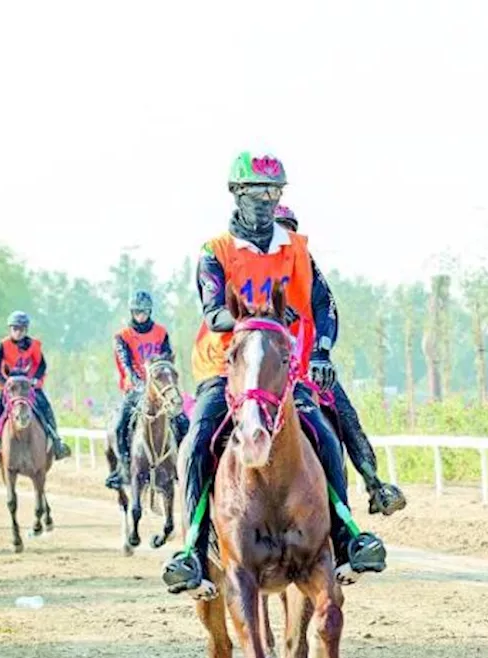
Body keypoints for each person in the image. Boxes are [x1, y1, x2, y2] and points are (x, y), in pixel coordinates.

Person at [162, 151, 387, 595]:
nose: (265, 200)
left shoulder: (296, 249)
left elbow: (324, 304)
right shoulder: (215, 252)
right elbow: (213, 312)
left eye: (273, 191)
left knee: (323, 433)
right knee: (195, 444)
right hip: (227, 369)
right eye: (255, 192)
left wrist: (321, 352)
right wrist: (259, 327)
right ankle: (190, 550)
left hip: (283, 373)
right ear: (235, 194)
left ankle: (346, 537)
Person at [274, 205, 407, 515]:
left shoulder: (307, 266)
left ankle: (375, 485)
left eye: (291, 229)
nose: (287, 237)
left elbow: (327, 309)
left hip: (306, 368)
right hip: (259, 372)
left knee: (345, 413)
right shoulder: (250, 267)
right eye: (281, 229)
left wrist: (321, 352)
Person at [105, 290, 190, 490]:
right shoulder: (122, 336)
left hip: (159, 389)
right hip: (135, 389)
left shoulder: (161, 332)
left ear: (150, 311)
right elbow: (125, 363)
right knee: (120, 425)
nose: (140, 315)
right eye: (136, 312)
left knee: (183, 421)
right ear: (131, 312)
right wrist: (137, 382)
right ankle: (123, 468)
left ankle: (183, 464)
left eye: (143, 312)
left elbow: (167, 358)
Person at [0, 311, 72, 470]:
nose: (18, 331)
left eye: (21, 328)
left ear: (26, 329)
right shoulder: (3, 345)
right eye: (15, 328)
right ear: (10, 329)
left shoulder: (34, 345)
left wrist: (35, 378)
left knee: (46, 408)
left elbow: (42, 365)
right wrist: (6, 383)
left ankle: (57, 442)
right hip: (9, 388)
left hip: (29, 387)